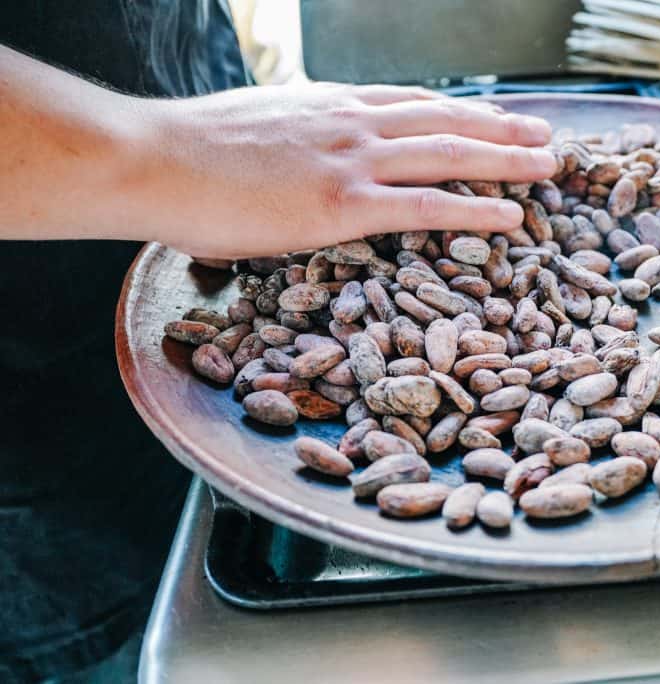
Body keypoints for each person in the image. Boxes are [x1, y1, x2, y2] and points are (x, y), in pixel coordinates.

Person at [0, 3, 555, 681]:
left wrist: (203, 144)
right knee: (106, 632)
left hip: (189, 106)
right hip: (35, 410)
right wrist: (165, 154)